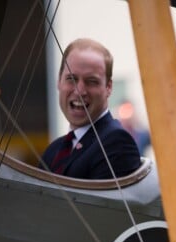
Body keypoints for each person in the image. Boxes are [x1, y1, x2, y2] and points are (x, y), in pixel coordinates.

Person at [40, 38, 141, 179]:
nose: (80, 91)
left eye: (91, 81)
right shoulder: (53, 151)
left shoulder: (117, 144)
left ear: (109, 87)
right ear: (59, 82)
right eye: (72, 79)